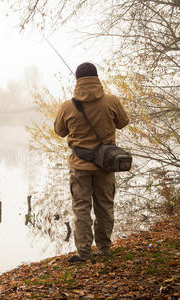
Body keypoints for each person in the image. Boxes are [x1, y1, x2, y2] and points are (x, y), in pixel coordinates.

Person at [54, 62, 129, 262]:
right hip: (106, 165)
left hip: (79, 166)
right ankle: (104, 249)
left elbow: (59, 131)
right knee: (105, 207)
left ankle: (84, 254)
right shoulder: (111, 101)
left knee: (81, 210)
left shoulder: (67, 106)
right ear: (96, 78)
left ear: (77, 80)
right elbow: (123, 122)